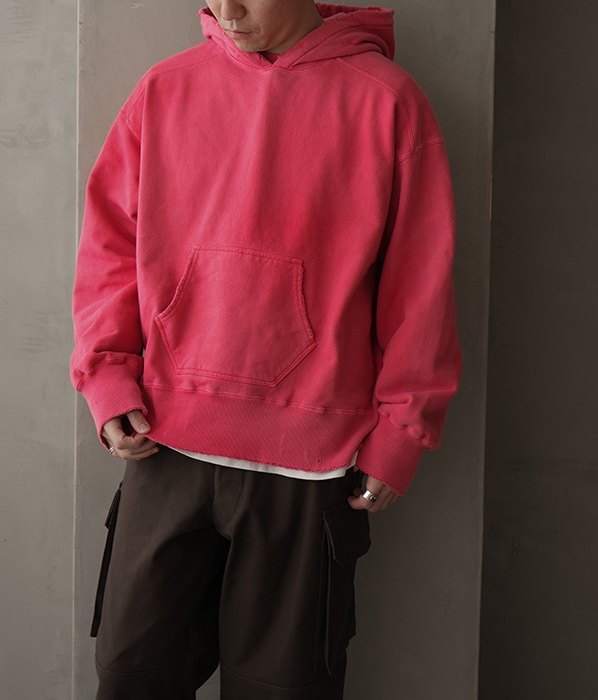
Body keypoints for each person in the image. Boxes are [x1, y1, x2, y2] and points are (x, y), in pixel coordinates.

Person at [71, 2, 461, 698]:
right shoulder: (164, 89)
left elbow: (420, 284)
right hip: (164, 444)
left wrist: (403, 431)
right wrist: (107, 376)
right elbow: (109, 246)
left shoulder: (388, 102)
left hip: (308, 465)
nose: (226, 10)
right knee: (130, 676)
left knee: (282, 688)